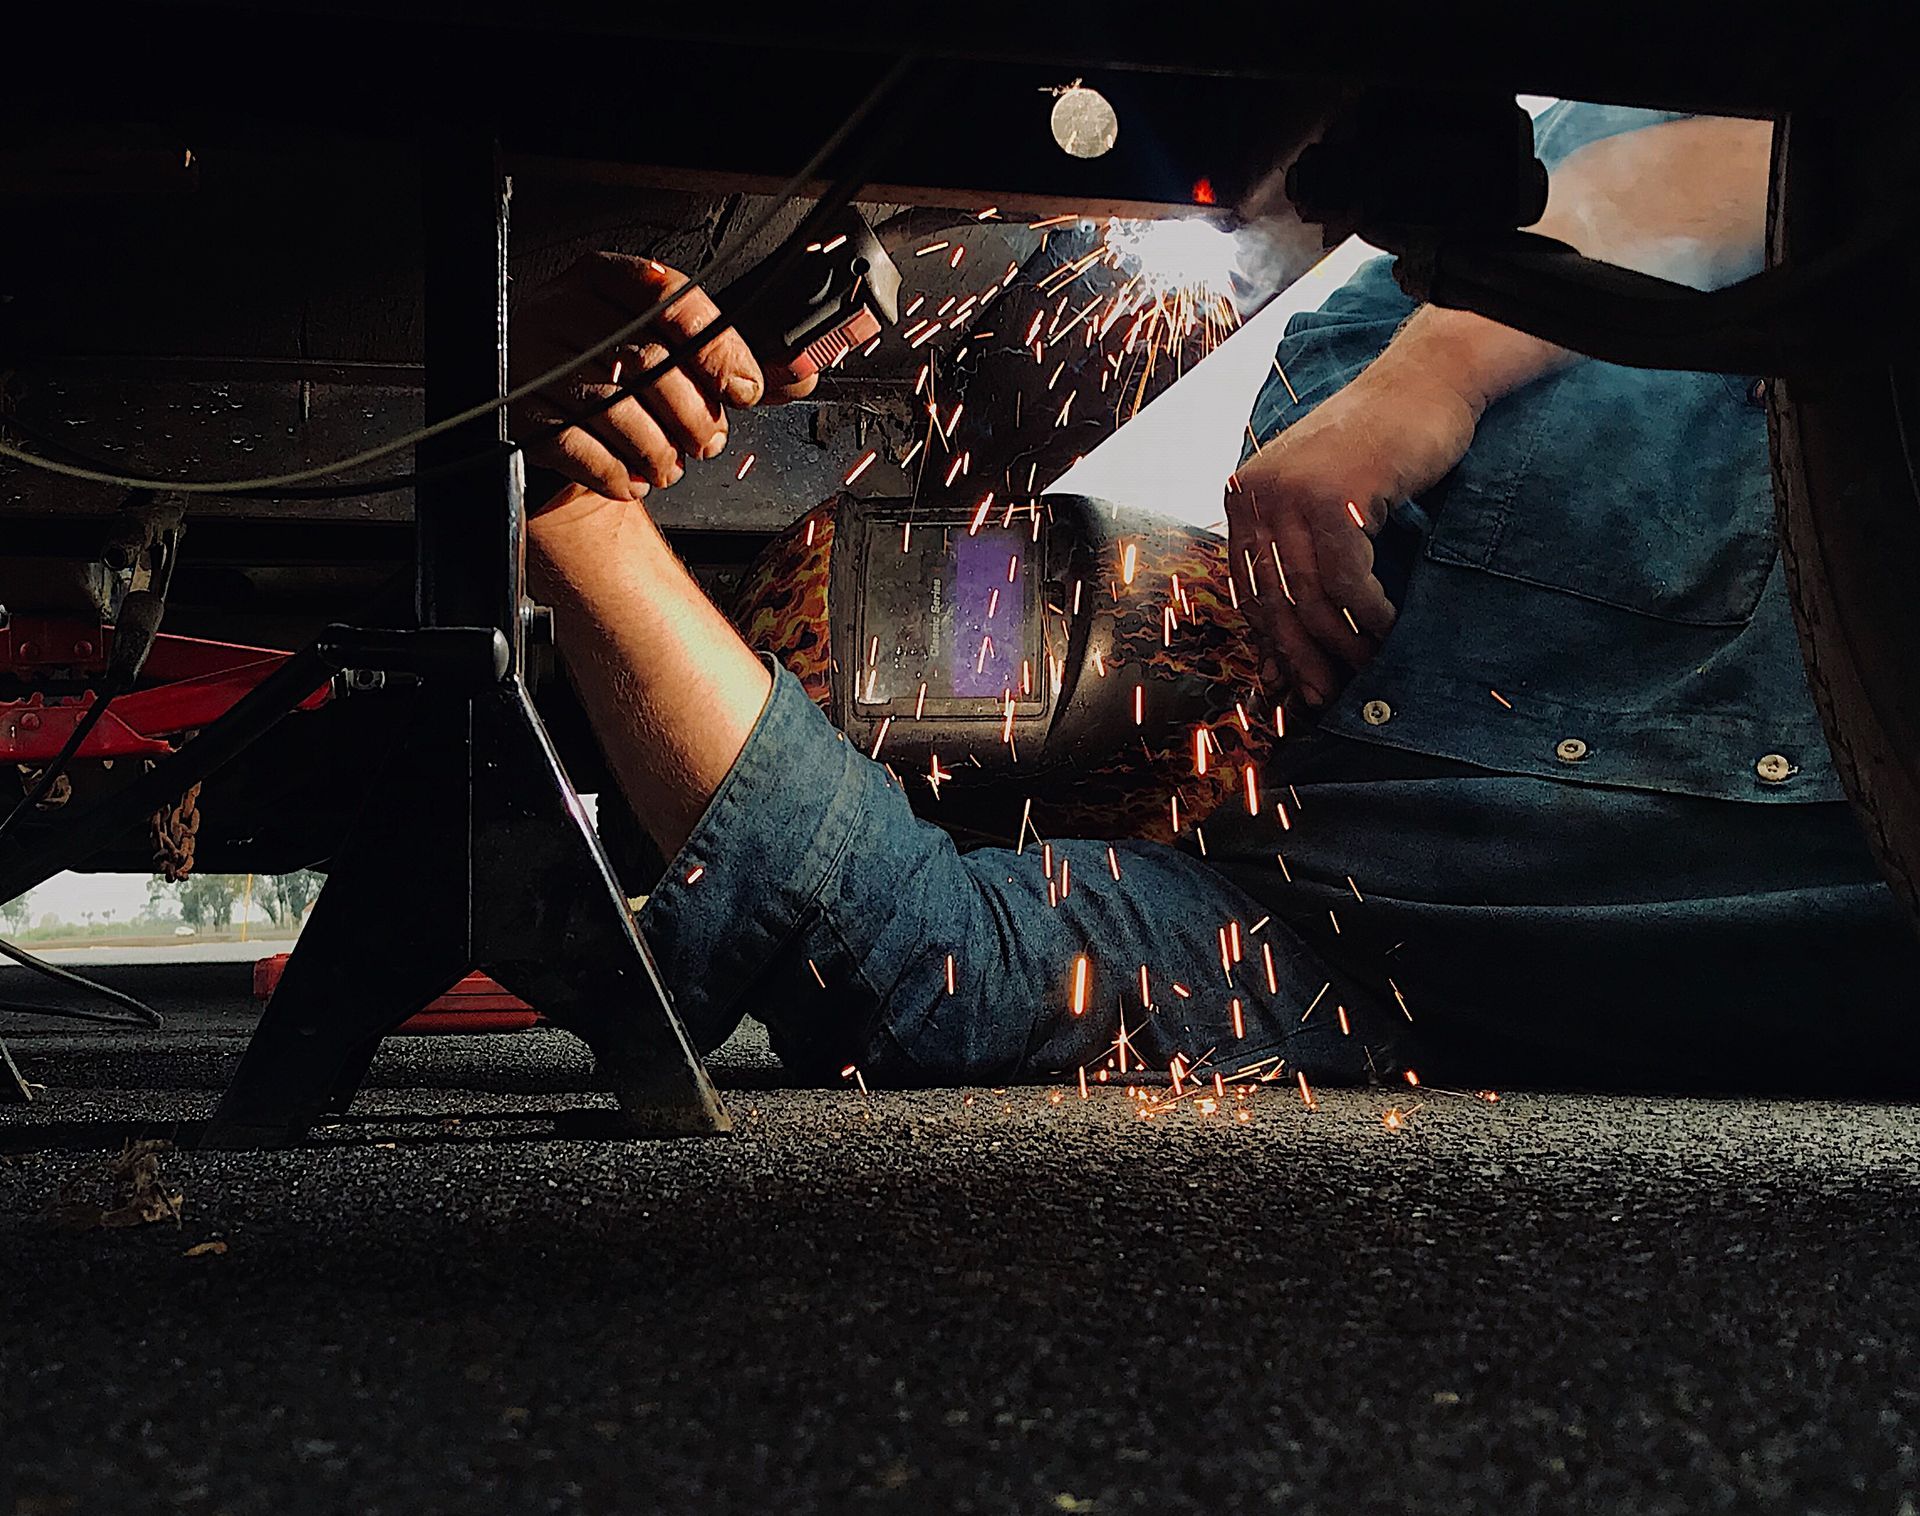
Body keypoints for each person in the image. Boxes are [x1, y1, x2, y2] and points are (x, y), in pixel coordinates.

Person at [512, 103, 1918, 1096]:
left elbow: (1806, 147)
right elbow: (903, 970)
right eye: (970, 671)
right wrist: (571, 513)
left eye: (991, 576)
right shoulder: (1299, 946)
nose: (1044, 630)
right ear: (1009, 793)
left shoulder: (1374, 345)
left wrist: (1434, 380)